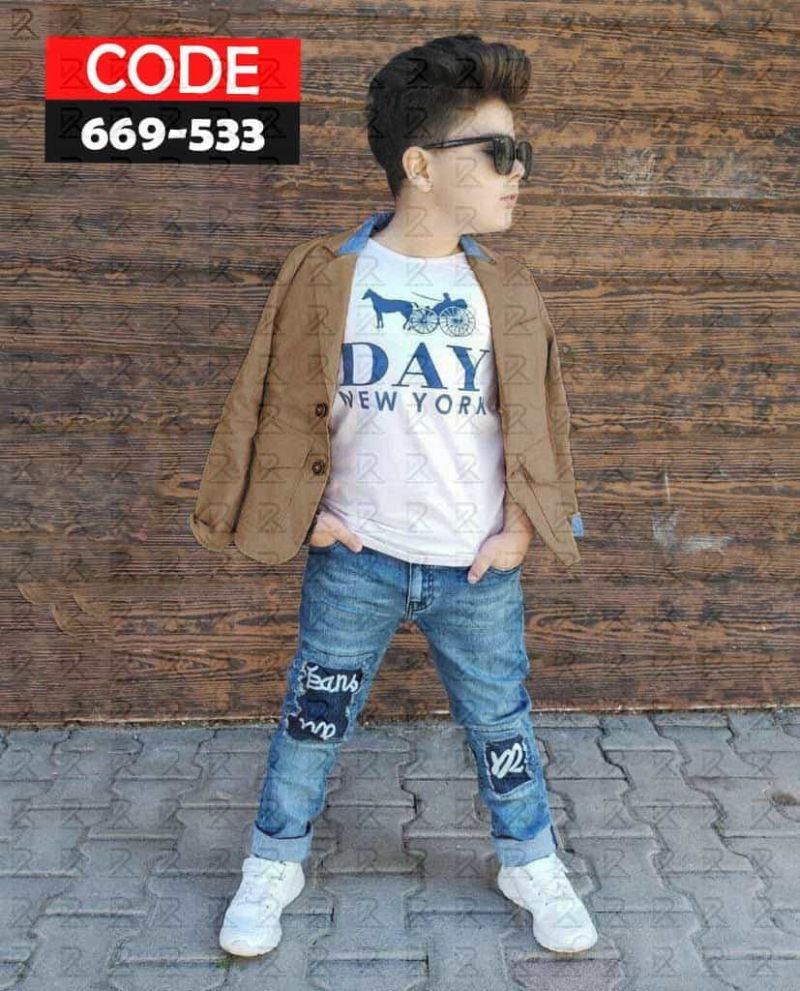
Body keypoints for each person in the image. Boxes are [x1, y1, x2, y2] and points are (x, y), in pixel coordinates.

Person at [210, 33, 598, 957]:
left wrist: (521, 527)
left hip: (476, 563)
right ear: (420, 166)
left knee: (501, 720)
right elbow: (273, 404)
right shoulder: (327, 277)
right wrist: (305, 516)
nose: (518, 172)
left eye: (521, 153)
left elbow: (539, 417)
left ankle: (529, 858)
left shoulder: (505, 288)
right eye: (498, 152)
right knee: (314, 715)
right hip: (358, 556)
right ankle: (274, 857)